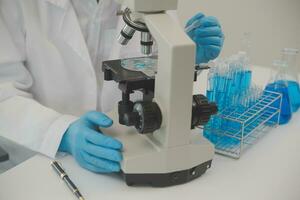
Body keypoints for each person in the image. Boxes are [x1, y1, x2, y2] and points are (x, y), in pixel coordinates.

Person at [0, 0, 224, 173]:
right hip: (41, 161)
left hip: (132, 140)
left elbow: (159, 65)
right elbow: (4, 94)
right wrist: (62, 132)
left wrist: (186, 57)